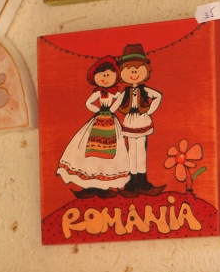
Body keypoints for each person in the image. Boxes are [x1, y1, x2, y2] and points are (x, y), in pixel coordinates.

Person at [57, 56, 130, 199]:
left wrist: (114, 107)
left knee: (111, 152)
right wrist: (97, 110)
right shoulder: (98, 93)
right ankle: (90, 185)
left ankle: (105, 186)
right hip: (98, 121)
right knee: (92, 151)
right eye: (101, 75)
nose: (105, 78)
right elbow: (88, 103)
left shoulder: (115, 93)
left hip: (110, 122)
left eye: (108, 75)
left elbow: (120, 102)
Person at [117, 43, 165, 197]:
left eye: (138, 68)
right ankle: (132, 182)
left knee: (141, 151)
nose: (134, 72)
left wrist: (149, 111)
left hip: (142, 120)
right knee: (132, 151)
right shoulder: (125, 92)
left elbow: (158, 96)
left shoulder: (144, 89)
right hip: (130, 121)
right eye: (129, 69)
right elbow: (115, 104)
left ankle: (142, 182)